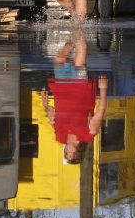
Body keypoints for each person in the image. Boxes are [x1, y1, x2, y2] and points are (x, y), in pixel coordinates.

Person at [43, 29, 108, 164]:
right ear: (79, 151)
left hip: (62, 88)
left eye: (66, 153)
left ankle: (75, 31)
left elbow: (52, 118)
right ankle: (81, 25)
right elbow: (100, 112)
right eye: (71, 153)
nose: (67, 150)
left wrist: (45, 105)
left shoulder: (60, 136)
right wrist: (103, 90)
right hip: (80, 88)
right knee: (80, 54)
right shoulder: (88, 134)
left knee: (59, 58)